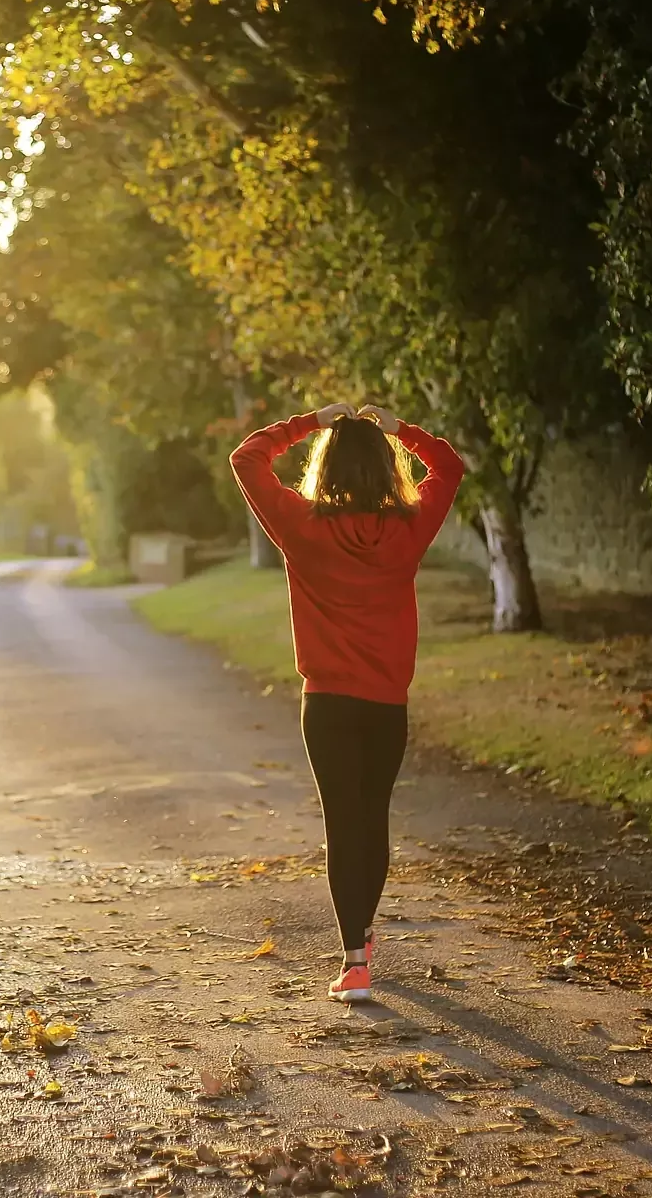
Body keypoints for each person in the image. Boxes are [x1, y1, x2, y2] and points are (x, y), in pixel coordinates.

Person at [229, 402, 464, 1003]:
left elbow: (247, 458)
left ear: (325, 468)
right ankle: (360, 933)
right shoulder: (408, 528)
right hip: (386, 703)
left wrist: (311, 421)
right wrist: (400, 430)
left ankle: (354, 960)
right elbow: (450, 466)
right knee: (373, 817)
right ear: (387, 469)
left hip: (328, 703)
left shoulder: (301, 525)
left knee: (342, 822)